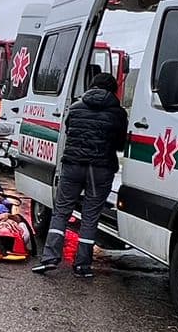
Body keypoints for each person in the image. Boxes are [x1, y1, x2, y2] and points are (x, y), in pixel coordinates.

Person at [33, 73, 130, 276]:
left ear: (92, 86)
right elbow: (121, 144)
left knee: (61, 211)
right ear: (113, 90)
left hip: (72, 166)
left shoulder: (76, 107)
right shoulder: (118, 114)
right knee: (90, 215)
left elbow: (69, 132)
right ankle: (82, 265)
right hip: (100, 169)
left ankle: (50, 258)